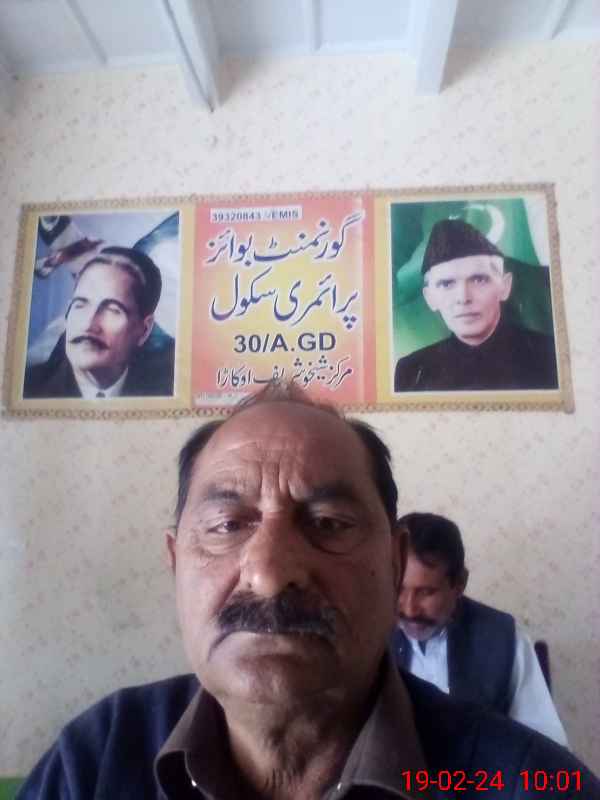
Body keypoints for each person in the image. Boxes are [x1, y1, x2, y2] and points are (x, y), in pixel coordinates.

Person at [16, 384, 599, 799]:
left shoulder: (529, 783)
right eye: (226, 525)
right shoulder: (95, 760)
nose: (269, 574)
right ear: (175, 564)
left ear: (394, 563)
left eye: (328, 523)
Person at [392, 512, 568, 747]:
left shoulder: (502, 639)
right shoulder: (368, 634)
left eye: (426, 592)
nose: (409, 609)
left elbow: (546, 745)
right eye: (398, 588)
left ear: (459, 584)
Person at [393, 218, 559, 392]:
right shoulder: (410, 371)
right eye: (446, 284)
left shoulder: (550, 356)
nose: (463, 298)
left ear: (505, 286)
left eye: (479, 280)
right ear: (430, 298)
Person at [23, 246, 175, 399]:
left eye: (113, 310)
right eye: (80, 305)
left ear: (144, 330)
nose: (89, 324)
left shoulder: (168, 391)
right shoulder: (29, 390)